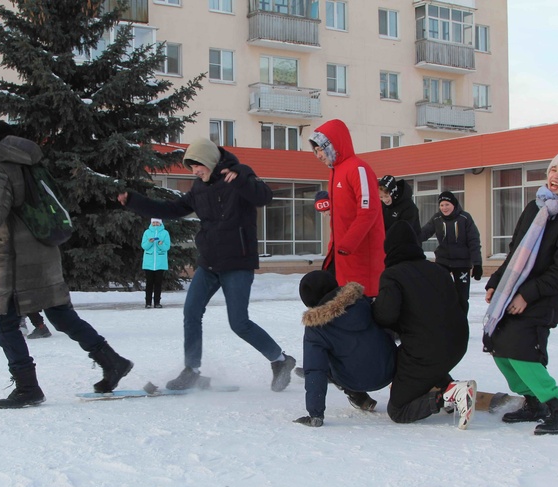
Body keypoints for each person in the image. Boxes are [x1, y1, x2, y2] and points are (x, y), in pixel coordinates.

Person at [0, 120, 133, 409]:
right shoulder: (28, 161)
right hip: (44, 249)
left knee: (2, 321)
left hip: (16, 258)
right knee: (61, 314)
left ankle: (28, 387)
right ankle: (112, 361)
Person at [118, 137, 296, 392]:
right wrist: (135, 201)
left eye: (198, 165)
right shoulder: (198, 189)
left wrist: (243, 176)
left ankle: (280, 360)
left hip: (237, 262)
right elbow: (171, 209)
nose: (195, 171)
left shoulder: (237, 177)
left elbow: (264, 197)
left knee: (239, 323)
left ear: (211, 161)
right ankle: (192, 369)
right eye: (191, 167)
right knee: (191, 312)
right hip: (209, 263)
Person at [483, 146, 558, 435]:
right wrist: (496, 282)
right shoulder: (536, 207)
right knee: (499, 347)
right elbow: (515, 252)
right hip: (515, 291)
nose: (556, 176)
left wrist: (526, 295)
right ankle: (534, 403)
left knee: (521, 351)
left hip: (545, 297)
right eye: (554, 169)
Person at [372, 222, 476, 429]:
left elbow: (385, 316)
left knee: (398, 410)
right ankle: (450, 386)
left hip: (426, 350)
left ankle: (448, 397)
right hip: (457, 343)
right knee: (414, 361)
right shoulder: (438, 270)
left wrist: (374, 306)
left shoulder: (393, 275)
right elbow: (461, 304)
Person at [292, 270, 396, 428]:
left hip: (353, 380)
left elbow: (315, 370)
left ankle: (357, 395)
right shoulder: (363, 301)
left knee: (323, 361)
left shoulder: (316, 327)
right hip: (391, 369)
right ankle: (363, 399)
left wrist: (315, 414)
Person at [308, 119, 384, 297]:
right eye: (315, 151)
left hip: (361, 257)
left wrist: (347, 244)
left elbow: (368, 210)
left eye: (320, 149)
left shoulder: (358, 168)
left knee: (362, 307)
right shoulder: (335, 172)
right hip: (342, 256)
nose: (318, 155)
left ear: (333, 145)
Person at [420, 191, 482, 314]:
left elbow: (474, 241)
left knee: (462, 297)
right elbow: (424, 233)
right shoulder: (436, 218)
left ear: (454, 204)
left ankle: (461, 325)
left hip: (462, 263)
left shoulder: (465, 218)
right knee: (441, 293)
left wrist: (477, 264)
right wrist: (408, 239)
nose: (444, 208)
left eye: (447, 204)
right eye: (441, 205)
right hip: (443, 261)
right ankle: (445, 323)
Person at [141, 218, 170, 308]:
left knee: (158, 283)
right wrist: (149, 242)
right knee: (149, 283)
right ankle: (148, 302)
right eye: (154, 222)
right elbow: (144, 246)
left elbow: (167, 247)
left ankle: (157, 302)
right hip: (149, 263)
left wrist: (160, 244)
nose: (155, 224)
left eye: (157, 222)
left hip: (160, 263)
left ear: (160, 223)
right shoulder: (147, 232)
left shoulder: (165, 233)